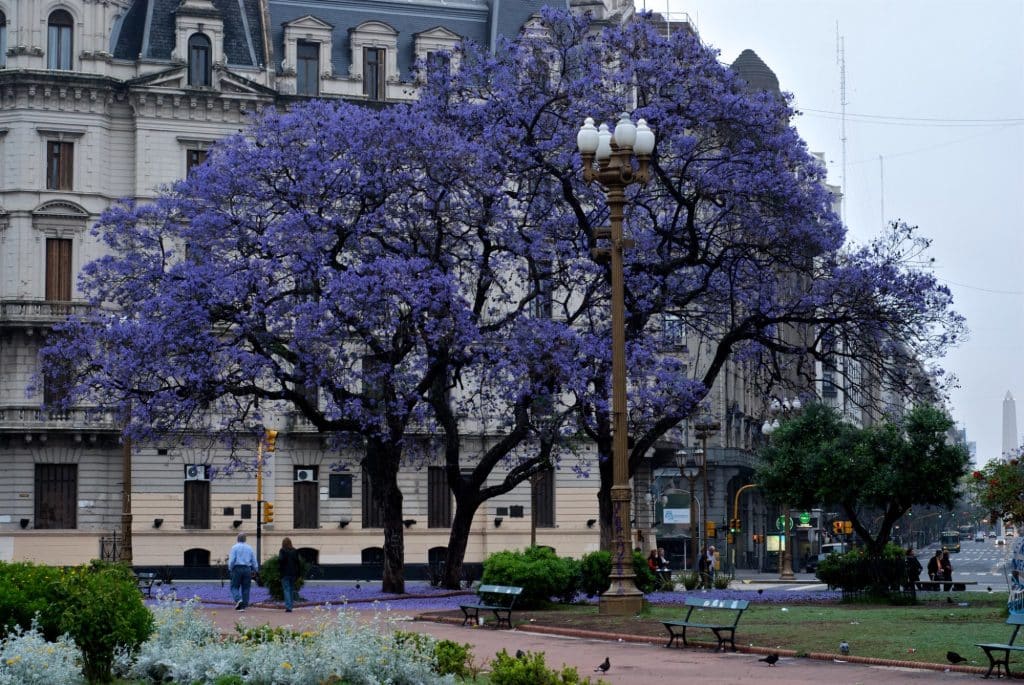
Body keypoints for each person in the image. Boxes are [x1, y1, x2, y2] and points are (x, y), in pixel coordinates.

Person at [228, 532, 259, 610]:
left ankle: (238, 599)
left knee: (234, 586)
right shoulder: (249, 548)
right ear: (245, 539)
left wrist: (230, 568)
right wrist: (256, 569)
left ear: (237, 539)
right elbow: (253, 560)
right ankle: (244, 605)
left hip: (237, 568)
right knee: (246, 588)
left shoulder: (234, 547)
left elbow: (232, 560)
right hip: (247, 568)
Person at [279, 537, 301, 612]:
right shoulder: (295, 551)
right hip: (293, 573)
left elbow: (281, 561)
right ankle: (291, 605)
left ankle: (288, 607)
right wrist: (298, 573)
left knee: (286, 590)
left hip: (285, 573)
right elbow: (298, 562)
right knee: (291, 589)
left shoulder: (282, 550)